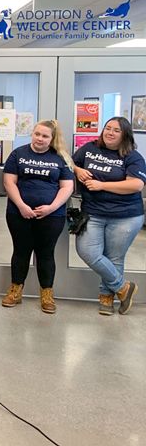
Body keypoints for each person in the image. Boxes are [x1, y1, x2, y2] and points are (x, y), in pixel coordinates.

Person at [73, 117, 144, 315]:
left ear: (125, 135)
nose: (110, 133)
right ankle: (123, 288)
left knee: (114, 257)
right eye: (107, 128)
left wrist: (102, 185)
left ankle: (106, 297)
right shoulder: (89, 148)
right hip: (93, 212)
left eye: (116, 130)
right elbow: (70, 162)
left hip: (125, 216)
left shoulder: (132, 156)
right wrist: (78, 170)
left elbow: (136, 184)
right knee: (87, 251)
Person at [2, 119, 74, 314]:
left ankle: (47, 294)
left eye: (44, 136)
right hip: (19, 213)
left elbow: (67, 187)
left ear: (52, 139)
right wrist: (22, 205)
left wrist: (51, 207)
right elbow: (9, 182)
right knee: (21, 252)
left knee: (46, 254)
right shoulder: (18, 154)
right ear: (32, 134)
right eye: (37, 134)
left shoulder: (61, 158)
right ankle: (15, 291)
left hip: (52, 216)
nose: (40, 139)